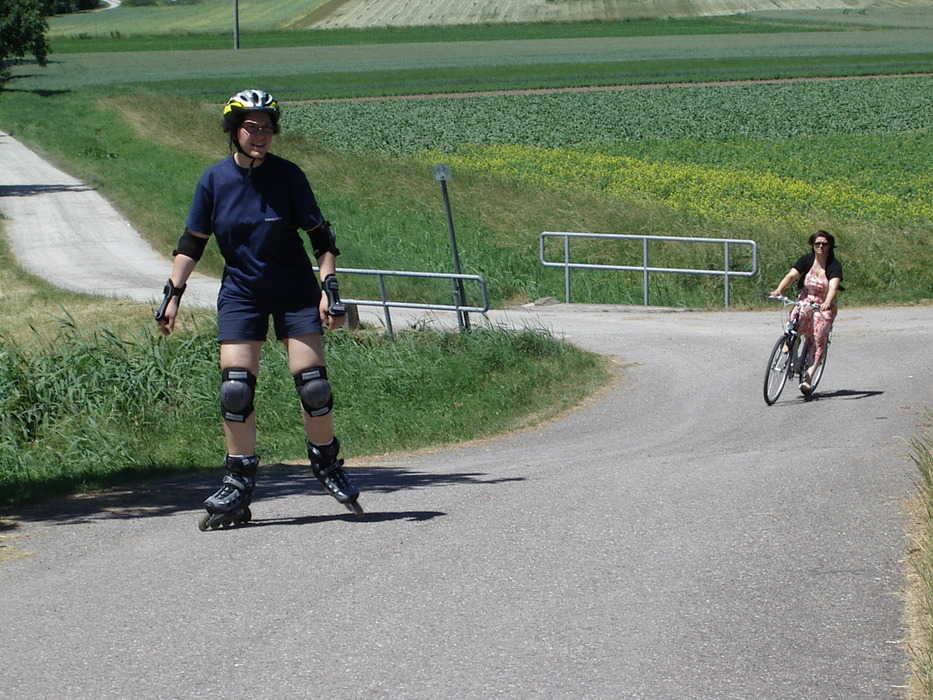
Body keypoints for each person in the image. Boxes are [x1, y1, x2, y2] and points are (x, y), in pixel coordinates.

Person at [155, 88, 361, 527]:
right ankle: (238, 481)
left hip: (293, 291)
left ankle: (327, 464)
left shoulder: (288, 176)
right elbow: (192, 242)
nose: (261, 135)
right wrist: (173, 295)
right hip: (242, 294)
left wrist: (329, 289)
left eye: (268, 127)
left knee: (313, 386)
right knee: (235, 389)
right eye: (252, 126)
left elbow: (321, 239)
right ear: (234, 131)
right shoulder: (214, 180)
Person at [770, 230, 843, 395]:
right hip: (806, 299)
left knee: (817, 339)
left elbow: (833, 286)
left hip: (824, 304)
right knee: (798, 315)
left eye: (824, 244)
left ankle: (808, 377)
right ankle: (791, 341)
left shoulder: (833, 265)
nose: (821, 247)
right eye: (818, 243)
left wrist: (827, 302)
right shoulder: (807, 260)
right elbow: (792, 275)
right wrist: (779, 290)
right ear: (813, 245)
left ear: (830, 246)